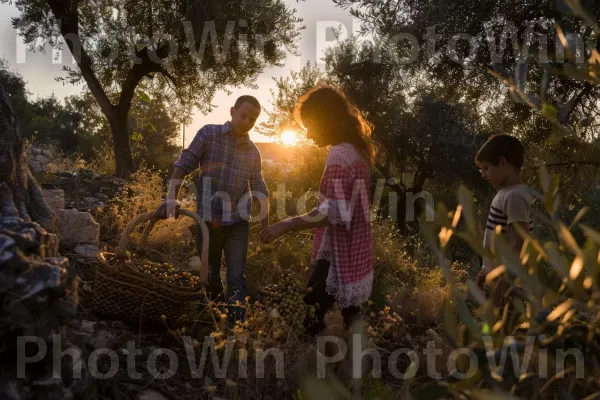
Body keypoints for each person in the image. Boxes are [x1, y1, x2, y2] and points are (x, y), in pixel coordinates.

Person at [260, 85, 377, 335]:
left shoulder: (338, 155)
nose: (309, 134)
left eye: (311, 125)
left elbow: (331, 213)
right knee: (351, 317)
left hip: (336, 254)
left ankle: (310, 368)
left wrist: (285, 224)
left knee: (308, 316)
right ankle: (359, 368)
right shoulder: (357, 152)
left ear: (327, 120)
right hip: (354, 249)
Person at [156, 95, 269, 326]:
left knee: (236, 276)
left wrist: (266, 227)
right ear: (232, 111)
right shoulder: (208, 134)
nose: (247, 122)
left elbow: (259, 189)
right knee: (212, 276)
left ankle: (236, 329)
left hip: (238, 222)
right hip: (207, 221)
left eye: (253, 119)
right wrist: (170, 199)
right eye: (243, 115)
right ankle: (214, 324)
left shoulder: (253, 153)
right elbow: (183, 165)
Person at [475, 134, 533, 308]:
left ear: (502, 163)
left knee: (507, 332)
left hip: (510, 286)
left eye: (486, 168)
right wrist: (487, 270)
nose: (483, 175)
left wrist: (503, 284)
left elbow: (520, 243)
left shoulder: (514, 196)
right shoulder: (506, 194)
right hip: (501, 280)